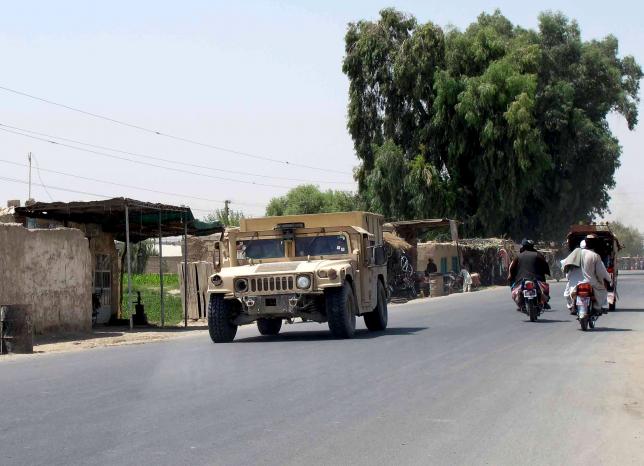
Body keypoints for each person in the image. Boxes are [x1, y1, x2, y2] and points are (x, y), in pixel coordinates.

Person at [508, 239, 551, 309]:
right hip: (537, 279)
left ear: (523, 247)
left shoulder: (518, 256)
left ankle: (522, 303)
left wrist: (511, 277)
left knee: (514, 288)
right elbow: (545, 267)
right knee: (544, 286)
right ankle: (545, 303)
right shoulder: (538, 255)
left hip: (521, 281)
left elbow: (511, 269)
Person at [580, 234, 613, 313]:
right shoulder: (595, 256)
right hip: (591, 282)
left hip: (577, 283)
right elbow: (601, 272)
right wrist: (608, 279)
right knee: (603, 290)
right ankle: (597, 307)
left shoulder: (577, 254)